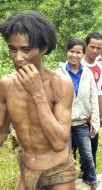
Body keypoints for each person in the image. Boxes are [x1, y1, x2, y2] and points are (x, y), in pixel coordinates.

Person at [0, 11, 77, 190]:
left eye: (26, 49)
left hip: (59, 173)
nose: (18, 58)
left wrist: (38, 93)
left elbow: (59, 142)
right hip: (27, 170)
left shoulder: (60, 84)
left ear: (43, 48)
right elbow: (0, 132)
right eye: (12, 49)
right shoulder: (6, 84)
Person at [56, 38, 99, 190]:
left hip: (81, 123)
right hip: (64, 124)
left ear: (83, 53)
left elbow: (93, 98)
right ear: (67, 52)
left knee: (87, 156)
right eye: (71, 51)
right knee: (66, 158)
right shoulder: (59, 73)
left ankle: (94, 184)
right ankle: (70, 185)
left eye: (78, 52)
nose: (74, 55)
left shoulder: (87, 73)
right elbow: (53, 99)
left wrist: (95, 121)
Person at [82, 32, 102, 169]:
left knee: (91, 153)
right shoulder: (75, 63)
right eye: (92, 47)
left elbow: (99, 92)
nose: (95, 51)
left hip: (92, 119)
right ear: (85, 46)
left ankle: (89, 180)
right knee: (71, 151)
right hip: (74, 117)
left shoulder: (100, 68)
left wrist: (99, 115)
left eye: (99, 48)